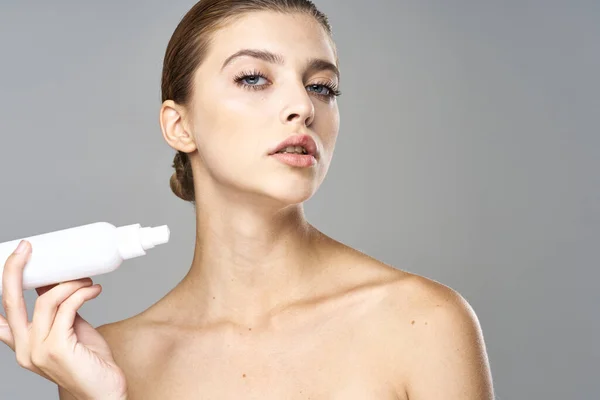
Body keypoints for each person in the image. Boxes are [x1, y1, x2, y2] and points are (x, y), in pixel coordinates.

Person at [0, 0, 495, 398]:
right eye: (254, 78)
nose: (302, 107)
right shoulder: (113, 359)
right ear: (180, 125)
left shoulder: (422, 323)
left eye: (322, 87)